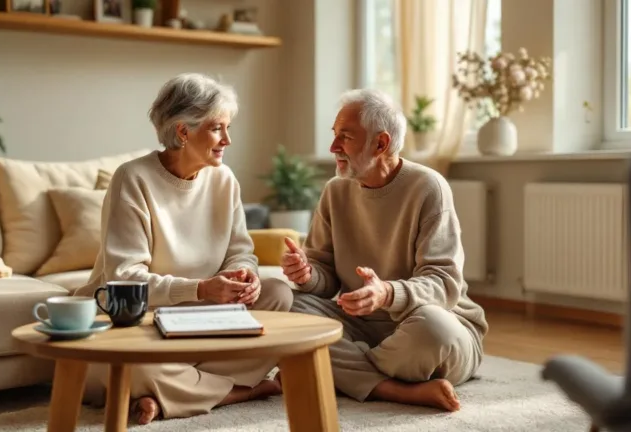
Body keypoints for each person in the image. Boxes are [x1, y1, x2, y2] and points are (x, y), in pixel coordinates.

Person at [74, 73, 293, 425]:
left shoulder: (224, 180)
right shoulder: (132, 178)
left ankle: (175, 393)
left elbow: (240, 250)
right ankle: (245, 390)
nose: (228, 139)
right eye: (218, 128)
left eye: (228, 127)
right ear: (183, 131)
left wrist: (244, 275)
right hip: (136, 322)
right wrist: (201, 288)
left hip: (205, 316)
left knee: (279, 295)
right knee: (132, 367)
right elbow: (124, 278)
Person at [280, 88, 489, 412]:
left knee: (433, 330)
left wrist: (387, 294)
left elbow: (444, 284)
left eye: (345, 137)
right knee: (283, 306)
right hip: (363, 326)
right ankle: (396, 389)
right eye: (334, 136)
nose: (333, 147)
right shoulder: (335, 191)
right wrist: (307, 274)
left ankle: (341, 372)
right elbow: (326, 279)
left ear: (381, 143)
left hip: (434, 326)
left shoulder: (428, 187)